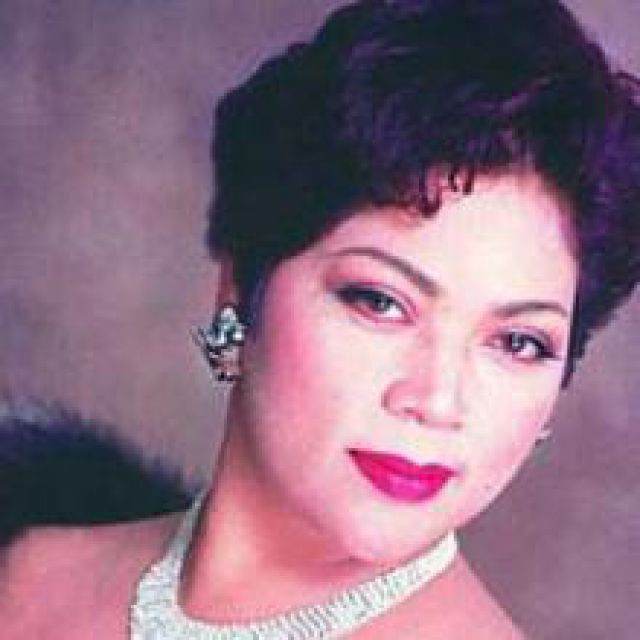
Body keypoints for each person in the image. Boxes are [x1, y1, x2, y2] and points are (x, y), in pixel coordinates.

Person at [1, 0, 639, 637]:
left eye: (518, 343)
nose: (437, 400)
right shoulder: (29, 568)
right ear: (239, 289)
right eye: (381, 302)